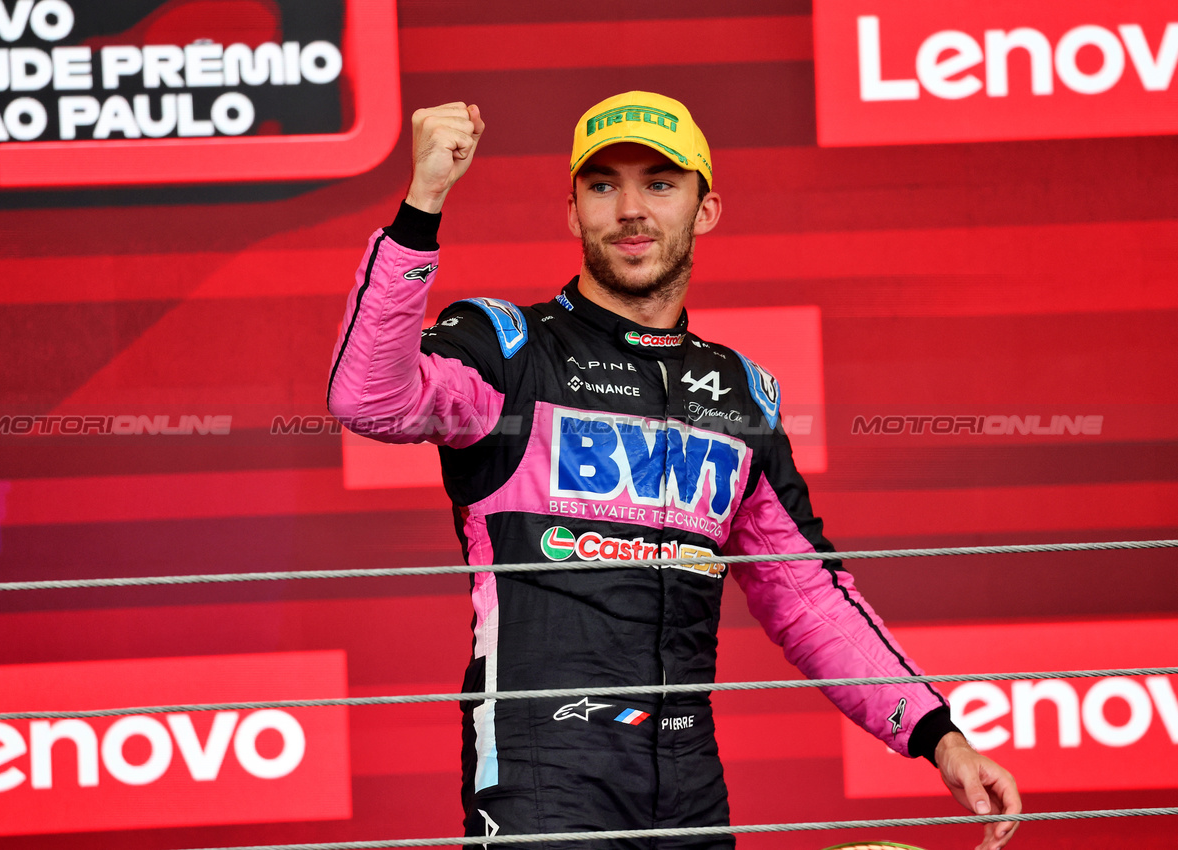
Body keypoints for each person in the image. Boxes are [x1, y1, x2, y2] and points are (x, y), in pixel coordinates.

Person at [327, 92, 1020, 850]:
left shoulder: (738, 392)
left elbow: (808, 595)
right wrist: (422, 201)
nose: (629, 208)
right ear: (572, 212)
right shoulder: (510, 349)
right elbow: (369, 398)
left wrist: (937, 734)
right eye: (602, 186)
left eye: (659, 184)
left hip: (688, 785)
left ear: (706, 207)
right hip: (543, 775)